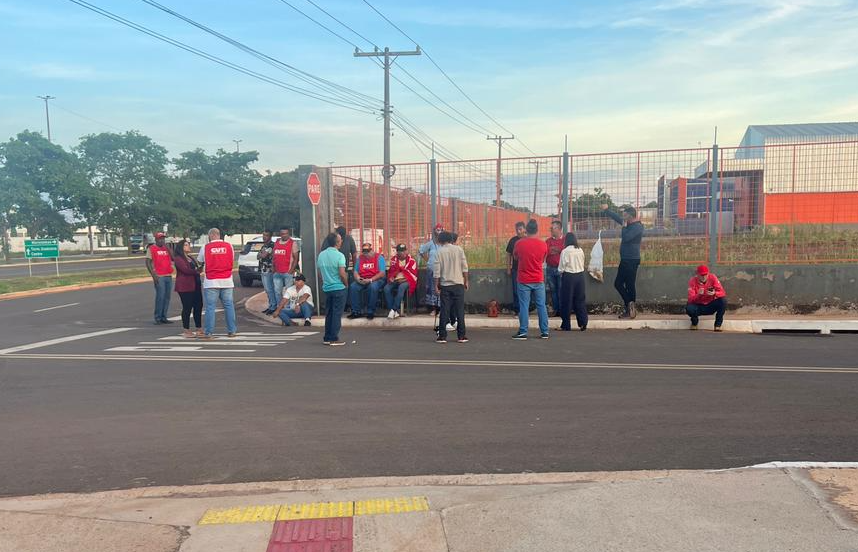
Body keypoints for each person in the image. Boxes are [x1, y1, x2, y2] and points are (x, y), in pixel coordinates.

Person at [601, 204, 644, 319]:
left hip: (631, 260)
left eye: (625, 216)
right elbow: (617, 218)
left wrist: (624, 227)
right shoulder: (628, 223)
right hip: (626, 259)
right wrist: (607, 210)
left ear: (630, 216)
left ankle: (630, 307)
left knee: (627, 284)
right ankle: (630, 307)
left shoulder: (637, 227)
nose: (623, 218)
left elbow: (626, 238)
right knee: (620, 284)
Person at [196, 228, 237, 339]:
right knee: (229, 306)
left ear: (210, 236)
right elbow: (231, 260)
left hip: (211, 281)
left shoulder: (206, 247)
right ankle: (232, 330)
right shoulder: (229, 246)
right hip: (227, 280)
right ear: (219, 235)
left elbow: (200, 261)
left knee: (210, 307)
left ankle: (209, 332)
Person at [512, 219, 549, 340]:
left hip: (523, 279)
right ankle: (544, 331)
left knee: (524, 305)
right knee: (541, 306)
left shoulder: (519, 243)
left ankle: (523, 331)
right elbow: (543, 259)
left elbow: (516, 257)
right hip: (538, 279)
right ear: (537, 230)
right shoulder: (543, 244)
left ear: (526, 230)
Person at [433, 231, 469, 343]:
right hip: (458, 284)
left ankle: (442, 336)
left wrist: (436, 285)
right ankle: (461, 336)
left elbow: (437, 272)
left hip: (445, 285)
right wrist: (466, 281)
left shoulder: (439, 252)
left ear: (440, 240)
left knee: (444, 310)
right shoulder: (459, 250)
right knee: (459, 311)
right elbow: (465, 267)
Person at [317, 232, 348, 346]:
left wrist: (326, 280)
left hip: (327, 287)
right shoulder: (340, 256)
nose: (341, 242)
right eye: (340, 240)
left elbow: (320, 273)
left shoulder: (321, 255)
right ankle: (334, 338)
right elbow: (342, 273)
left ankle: (327, 337)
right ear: (337, 242)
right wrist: (346, 284)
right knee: (336, 314)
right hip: (339, 287)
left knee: (329, 313)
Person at [557, 232, 588, 332]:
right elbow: (583, 262)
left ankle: (566, 325)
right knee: (580, 300)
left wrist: (561, 272)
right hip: (580, 276)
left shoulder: (565, 251)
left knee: (566, 301)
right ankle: (583, 323)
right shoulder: (580, 250)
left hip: (568, 277)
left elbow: (561, 268)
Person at [173, 239, 203, 338]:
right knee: (187, 307)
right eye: (186, 245)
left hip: (196, 285)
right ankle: (186, 330)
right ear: (181, 247)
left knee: (198, 306)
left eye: (188, 244)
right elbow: (185, 270)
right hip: (185, 287)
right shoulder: (178, 258)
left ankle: (199, 328)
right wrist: (196, 271)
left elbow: (195, 269)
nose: (188, 246)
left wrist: (199, 268)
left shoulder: (190, 257)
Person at [348, 242, 386, 320]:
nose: (366, 255)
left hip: (376, 279)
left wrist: (371, 280)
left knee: (372, 287)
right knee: (353, 287)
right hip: (363, 279)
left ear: (372, 250)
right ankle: (356, 311)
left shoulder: (379, 257)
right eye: (364, 253)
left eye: (368, 252)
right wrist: (358, 279)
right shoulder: (361, 258)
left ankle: (370, 311)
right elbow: (355, 271)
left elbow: (382, 273)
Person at [686, 265, 727, 331]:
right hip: (698, 306)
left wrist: (715, 293)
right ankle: (694, 323)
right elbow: (690, 299)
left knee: (723, 301)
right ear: (697, 274)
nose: (704, 277)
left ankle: (717, 325)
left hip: (710, 305)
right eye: (702, 275)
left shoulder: (713, 277)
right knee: (689, 308)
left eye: (706, 274)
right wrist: (698, 294)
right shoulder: (692, 281)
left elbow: (722, 293)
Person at [146, 232, 174, 325]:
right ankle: (158, 317)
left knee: (167, 297)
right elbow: (148, 262)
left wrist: (168, 247)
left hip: (168, 275)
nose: (162, 240)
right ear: (156, 239)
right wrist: (153, 275)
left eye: (163, 238)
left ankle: (164, 316)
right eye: (160, 238)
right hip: (159, 276)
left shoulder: (166, 248)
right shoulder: (152, 248)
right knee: (160, 297)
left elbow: (173, 258)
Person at [385, 243, 417, 319]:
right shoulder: (394, 260)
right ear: (397, 252)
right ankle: (394, 311)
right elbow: (391, 272)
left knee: (401, 288)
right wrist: (391, 277)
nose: (402, 253)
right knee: (386, 288)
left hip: (407, 280)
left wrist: (403, 280)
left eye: (403, 251)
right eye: (400, 251)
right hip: (396, 280)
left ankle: (393, 309)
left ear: (406, 251)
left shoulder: (411, 261)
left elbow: (413, 275)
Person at [419, 224, 444, 314]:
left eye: (440, 230)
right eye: (437, 230)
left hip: (442, 271)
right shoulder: (430, 244)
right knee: (432, 289)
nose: (439, 232)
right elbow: (421, 251)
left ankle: (441, 309)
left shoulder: (444, 244)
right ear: (434, 232)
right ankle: (434, 309)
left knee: (441, 289)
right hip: (431, 270)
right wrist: (427, 260)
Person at [272, 226, 299, 307]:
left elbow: (296, 258)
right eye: (282, 234)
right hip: (277, 272)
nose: (284, 235)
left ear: (289, 234)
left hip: (287, 272)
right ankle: (279, 307)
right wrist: (273, 267)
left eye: (286, 233)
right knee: (277, 291)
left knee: (288, 292)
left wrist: (291, 270)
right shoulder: (276, 242)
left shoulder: (292, 243)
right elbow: (274, 256)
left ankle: (288, 308)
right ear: (280, 234)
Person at [505, 221, 527, 314]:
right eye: (517, 229)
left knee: (526, 290)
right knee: (516, 290)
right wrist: (508, 268)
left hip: (526, 270)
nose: (518, 231)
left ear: (524, 229)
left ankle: (525, 309)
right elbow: (508, 254)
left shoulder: (527, 240)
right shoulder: (513, 240)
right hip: (515, 269)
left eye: (520, 229)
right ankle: (517, 309)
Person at [545, 220, 564, 317]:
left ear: (559, 229)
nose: (551, 230)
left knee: (561, 290)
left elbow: (564, 251)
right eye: (551, 228)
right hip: (550, 268)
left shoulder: (564, 240)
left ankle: (562, 310)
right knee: (553, 290)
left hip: (561, 269)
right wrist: (557, 250)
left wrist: (555, 249)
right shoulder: (548, 241)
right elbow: (547, 252)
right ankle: (556, 309)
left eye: (552, 228)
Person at [257, 230, 277, 315]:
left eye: (266, 235)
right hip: (263, 269)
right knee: (267, 290)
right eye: (263, 235)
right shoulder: (264, 246)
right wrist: (261, 254)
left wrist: (261, 254)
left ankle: (273, 306)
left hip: (269, 270)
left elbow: (263, 255)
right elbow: (258, 256)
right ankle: (270, 305)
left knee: (270, 289)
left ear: (270, 236)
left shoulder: (272, 245)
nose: (264, 237)